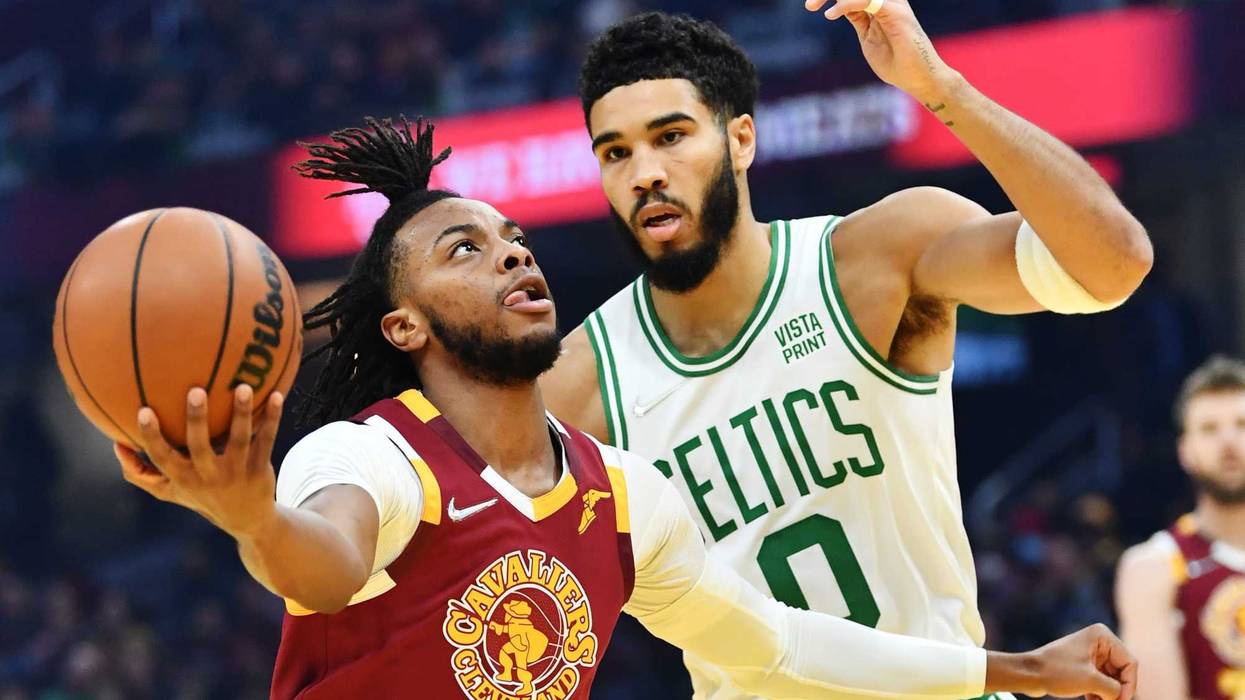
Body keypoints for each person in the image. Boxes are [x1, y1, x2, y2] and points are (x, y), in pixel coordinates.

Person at [111, 117, 1136, 700]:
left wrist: (1012, 666)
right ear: (405, 329)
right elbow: (322, 568)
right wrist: (248, 513)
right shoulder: (372, 456)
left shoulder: (625, 496)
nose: (513, 250)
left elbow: (778, 641)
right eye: (462, 249)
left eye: (512, 234)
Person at [539, 3, 1153, 698]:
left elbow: (1113, 264)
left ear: (741, 139)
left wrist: (940, 88)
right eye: (614, 151)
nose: (643, 172)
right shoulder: (575, 384)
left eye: (670, 136)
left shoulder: (875, 257)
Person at [1117, 356, 1245, 700]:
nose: (1229, 441)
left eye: (1241, 423)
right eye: (1209, 428)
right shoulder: (1154, 567)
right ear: (1185, 451)